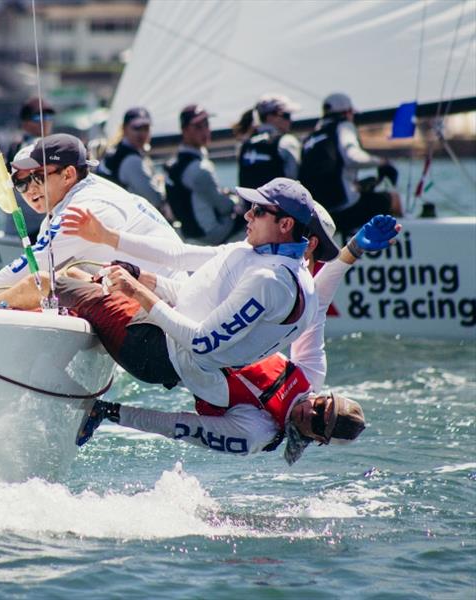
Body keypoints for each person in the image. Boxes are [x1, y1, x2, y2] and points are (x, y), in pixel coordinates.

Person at [65, 201, 400, 464]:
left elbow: (181, 426)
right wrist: (352, 251)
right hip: (173, 321)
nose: (309, 410)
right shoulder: (310, 376)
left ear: (318, 439)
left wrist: (111, 413)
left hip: (154, 354)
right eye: (321, 405)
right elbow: (318, 303)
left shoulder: (255, 434)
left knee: (62, 283)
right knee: (80, 275)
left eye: (316, 423)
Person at [56, 177, 320, 410]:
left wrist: (137, 290)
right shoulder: (264, 258)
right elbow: (181, 258)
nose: (247, 216)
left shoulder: (270, 280)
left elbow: (201, 343)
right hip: (169, 340)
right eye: (250, 208)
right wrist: (110, 240)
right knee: (78, 274)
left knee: (51, 281)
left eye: (259, 211)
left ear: (285, 224)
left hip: (156, 352)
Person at [0, 133, 184, 308]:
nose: (30, 189)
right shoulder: (94, 189)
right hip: (159, 297)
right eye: (20, 183)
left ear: (68, 175)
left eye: (38, 177)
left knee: (40, 284)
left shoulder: (82, 208)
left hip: (170, 307)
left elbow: (30, 269)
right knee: (61, 278)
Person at [299, 92, 402, 235]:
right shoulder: (344, 126)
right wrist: (382, 163)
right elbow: (353, 157)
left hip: (316, 215)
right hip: (342, 212)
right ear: (347, 113)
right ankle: (402, 237)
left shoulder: (310, 138)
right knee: (393, 199)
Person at [165, 104, 242, 245]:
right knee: (250, 217)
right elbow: (225, 207)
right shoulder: (200, 169)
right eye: (198, 127)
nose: (205, 131)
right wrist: (236, 201)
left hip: (188, 232)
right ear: (185, 130)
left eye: (206, 124)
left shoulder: (173, 163)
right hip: (210, 236)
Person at [97, 107, 170, 217]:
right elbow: (155, 199)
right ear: (125, 129)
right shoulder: (131, 160)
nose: (142, 133)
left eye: (146, 128)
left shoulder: (114, 151)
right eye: (137, 128)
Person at [2, 97, 56, 242]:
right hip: (33, 231)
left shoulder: (15, 145)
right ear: (25, 123)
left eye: (49, 116)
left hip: (19, 230)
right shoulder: (31, 147)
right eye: (38, 117)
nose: (45, 121)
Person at [235, 93, 302, 188]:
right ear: (270, 117)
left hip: (253, 202)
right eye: (286, 115)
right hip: (278, 202)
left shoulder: (244, 146)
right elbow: (295, 182)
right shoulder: (287, 142)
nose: (290, 120)